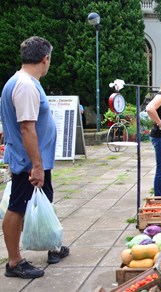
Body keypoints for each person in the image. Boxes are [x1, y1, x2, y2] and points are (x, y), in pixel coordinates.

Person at [1, 36, 70, 279]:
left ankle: (52, 245)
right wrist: (37, 166)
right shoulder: (26, 85)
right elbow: (26, 128)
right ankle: (14, 262)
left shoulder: (22, 81)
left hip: (33, 159)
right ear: (45, 58)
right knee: (18, 207)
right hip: (29, 161)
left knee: (42, 201)